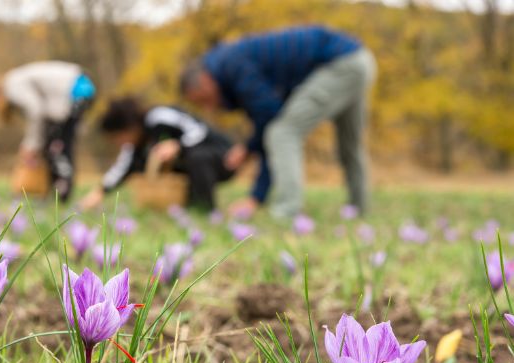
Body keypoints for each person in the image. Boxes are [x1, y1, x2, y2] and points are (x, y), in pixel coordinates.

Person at [180, 25, 377, 219]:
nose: (208, 108)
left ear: (206, 80)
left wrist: (256, 197)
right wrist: (249, 148)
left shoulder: (234, 66)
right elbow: (267, 119)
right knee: (349, 144)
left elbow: (271, 123)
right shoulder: (230, 63)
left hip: (338, 65)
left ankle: (287, 209)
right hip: (359, 59)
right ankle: (359, 207)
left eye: (203, 99)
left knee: (283, 133)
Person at [80, 97, 243, 211]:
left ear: (129, 126)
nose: (119, 144)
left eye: (118, 138)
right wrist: (100, 191)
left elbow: (198, 130)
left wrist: (177, 145)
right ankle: (185, 207)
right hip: (197, 165)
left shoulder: (158, 117)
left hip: (224, 158)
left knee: (196, 157)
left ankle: (204, 208)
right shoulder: (135, 146)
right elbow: (122, 167)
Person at [0, 61, 96, 201]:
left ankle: (61, 195)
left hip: (77, 89)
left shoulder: (12, 86)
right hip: (80, 88)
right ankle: (55, 193)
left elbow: (36, 110)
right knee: (55, 144)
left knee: (57, 147)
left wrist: (30, 145)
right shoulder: (15, 80)